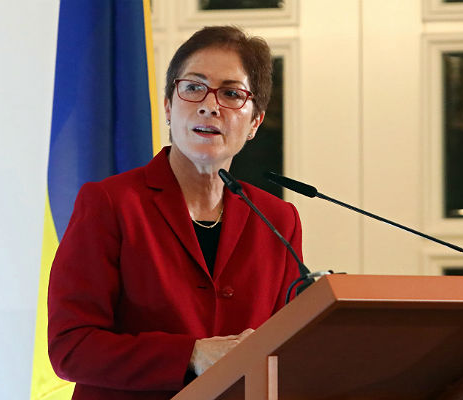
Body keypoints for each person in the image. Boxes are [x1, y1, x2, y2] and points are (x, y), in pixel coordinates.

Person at [48, 26, 303, 400]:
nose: (209, 105)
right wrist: (192, 354)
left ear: (255, 122)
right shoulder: (110, 204)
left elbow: (291, 347)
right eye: (194, 87)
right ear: (168, 107)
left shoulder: (277, 220)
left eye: (231, 93)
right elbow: (71, 346)